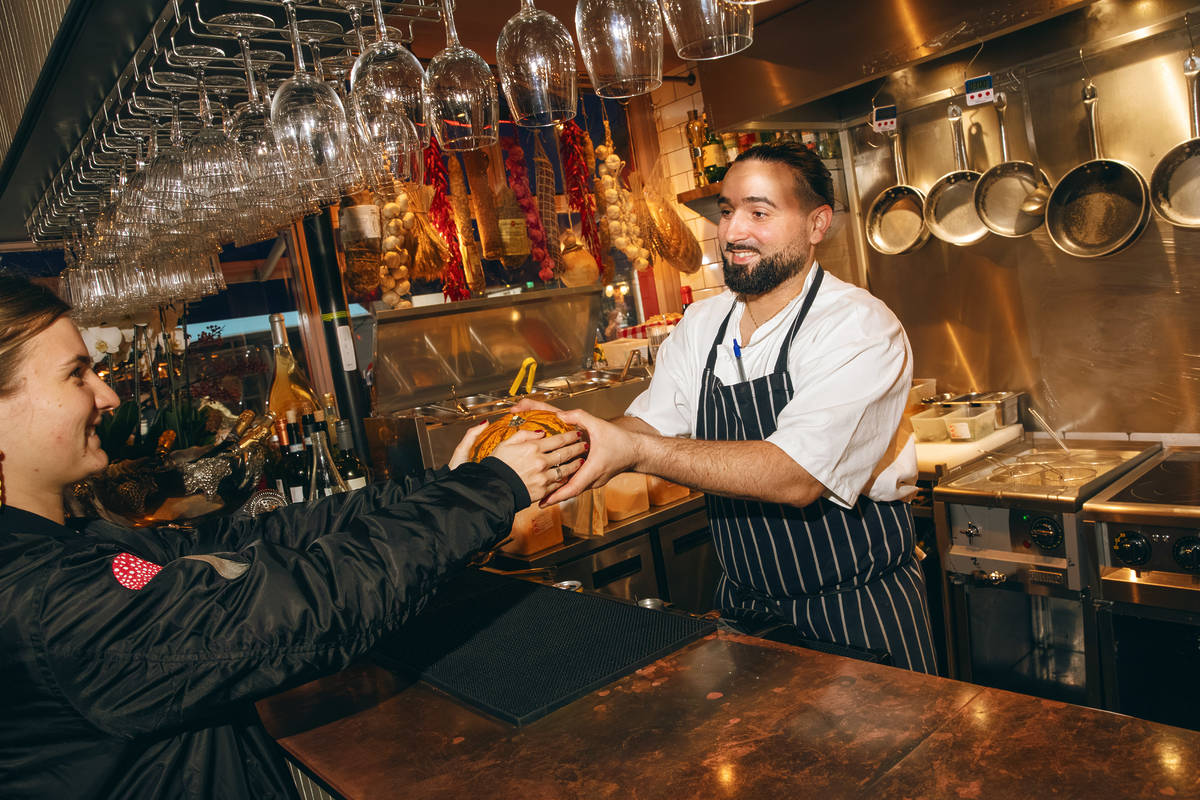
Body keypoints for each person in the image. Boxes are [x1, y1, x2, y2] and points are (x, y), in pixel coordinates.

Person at [0, 275, 587, 799]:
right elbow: (308, 606)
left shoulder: (71, 547)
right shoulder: (48, 606)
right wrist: (492, 489)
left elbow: (265, 538)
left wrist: (448, 485)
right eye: (76, 374)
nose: (108, 396)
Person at [524, 142, 936, 674]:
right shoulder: (703, 325)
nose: (733, 232)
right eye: (726, 211)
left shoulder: (857, 326)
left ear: (817, 224)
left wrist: (633, 450)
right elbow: (647, 423)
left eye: (759, 212)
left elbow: (794, 477)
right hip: (747, 615)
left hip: (854, 611)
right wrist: (567, 437)